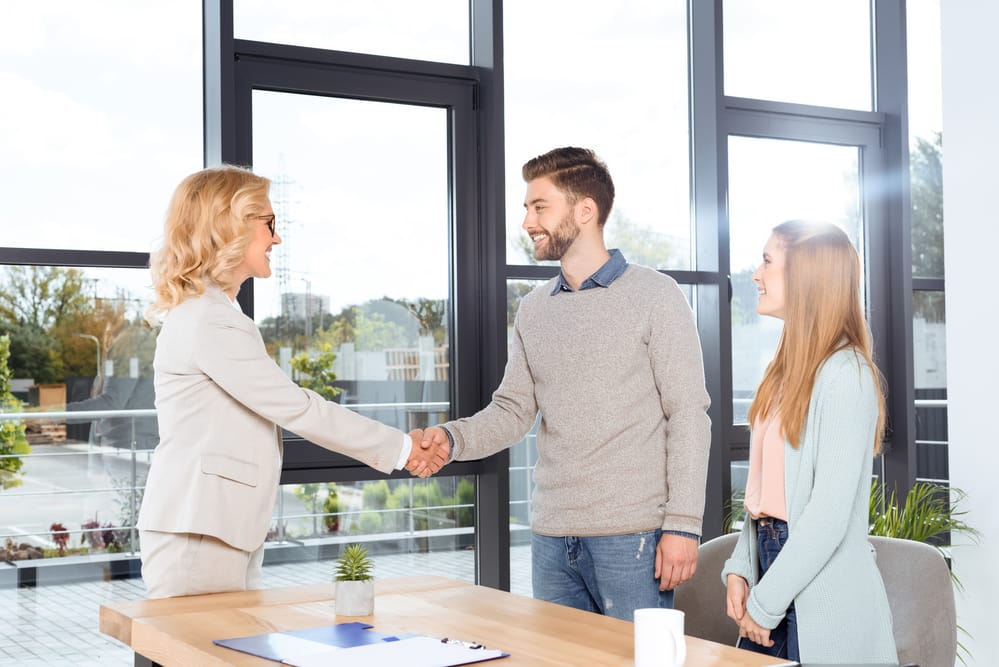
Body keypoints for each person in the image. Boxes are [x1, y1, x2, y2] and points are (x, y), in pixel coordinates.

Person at [421, 147, 712, 620]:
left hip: (633, 538)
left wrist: (682, 525)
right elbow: (512, 410)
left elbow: (688, 415)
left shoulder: (656, 296)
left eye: (540, 207)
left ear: (584, 210)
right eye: (527, 208)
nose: (527, 222)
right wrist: (452, 439)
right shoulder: (535, 309)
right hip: (552, 539)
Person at [136, 165, 447, 598]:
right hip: (200, 530)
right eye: (269, 223)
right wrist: (405, 449)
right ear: (230, 224)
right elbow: (297, 407)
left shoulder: (211, 313)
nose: (276, 238)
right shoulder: (210, 320)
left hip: (212, 526)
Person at [721, 221, 897, 663]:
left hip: (821, 590)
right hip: (772, 567)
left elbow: (827, 516)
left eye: (766, 261)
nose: (755, 274)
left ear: (807, 276)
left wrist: (764, 603)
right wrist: (743, 566)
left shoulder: (847, 375)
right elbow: (764, 498)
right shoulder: (782, 371)